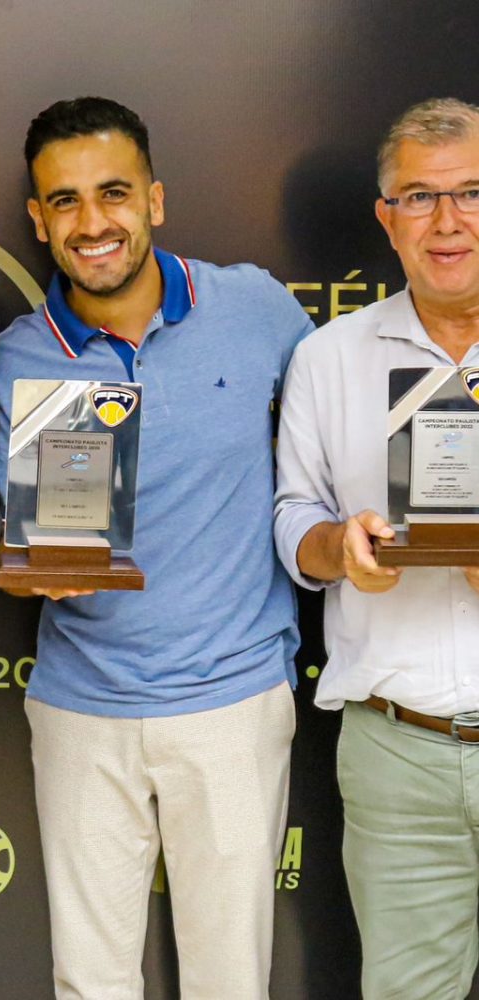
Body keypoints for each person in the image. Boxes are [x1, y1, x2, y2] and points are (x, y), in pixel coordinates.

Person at [0, 97, 314, 999]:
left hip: (232, 698)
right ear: (37, 220)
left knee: (231, 981)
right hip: (80, 707)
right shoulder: (15, 357)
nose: (92, 222)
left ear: (155, 200)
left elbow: (340, 437)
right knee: (89, 982)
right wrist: (24, 569)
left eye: (114, 193)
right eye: (65, 201)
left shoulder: (254, 307)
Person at [275, 97, 479, 1000]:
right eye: (420, 197)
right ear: (386, 218)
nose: (449, 221)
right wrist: (338, 548)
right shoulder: (328, 357)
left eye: (472, 192)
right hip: (398, 751)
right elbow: (294, 517)